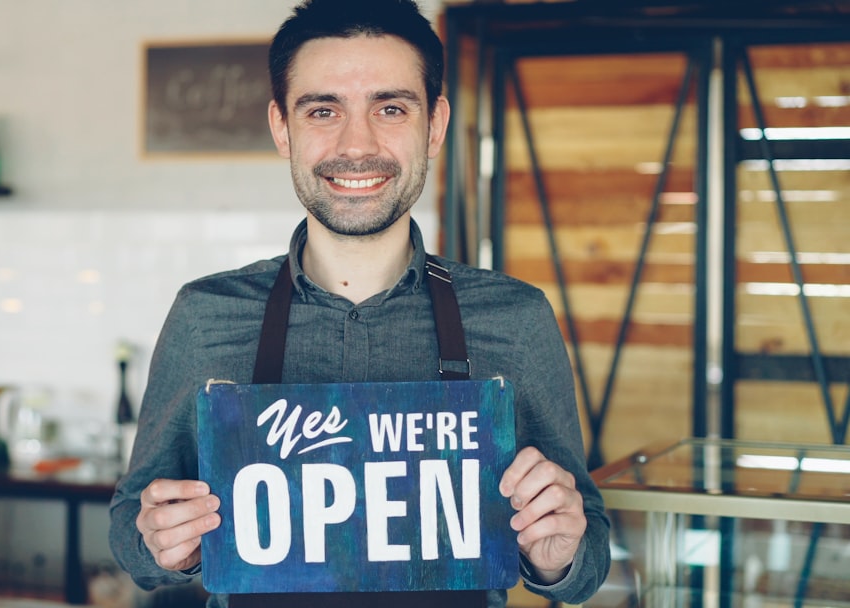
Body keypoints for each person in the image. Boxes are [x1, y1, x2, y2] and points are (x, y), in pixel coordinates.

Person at [109, 0, 611, 606]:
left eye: (391, 108)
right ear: (281, 128)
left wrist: (558, 554)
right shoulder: (205, 315)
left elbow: (586, 561)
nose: (356, 144)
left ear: (434, 127)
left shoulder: (516, 319)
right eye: (323, 110)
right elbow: (131, 525)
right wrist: (160, 540)